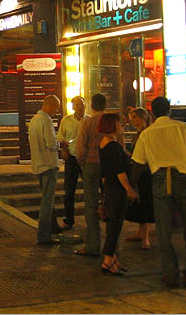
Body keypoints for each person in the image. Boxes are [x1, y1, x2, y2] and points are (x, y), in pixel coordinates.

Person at [131, 96, 186, 288]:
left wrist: (132, 187)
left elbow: (138, 164)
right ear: (170, 111)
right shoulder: (182, 128)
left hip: (159, 181)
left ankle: (170, 273)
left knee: (163, 230)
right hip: (184, 180)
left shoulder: (147, 134)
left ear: (151, 113)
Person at [74, 93, 123, 256]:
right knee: (111, 204)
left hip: (91, 165)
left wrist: (83, 163)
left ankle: (93, 245)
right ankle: (112, 247)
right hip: (109, 167)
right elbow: (120, 145)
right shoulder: (112, 121)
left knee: (91, 205)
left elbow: (80, 147)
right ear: (105, 104)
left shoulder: (87, 123)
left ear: (92, 106)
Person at [99, 113, 139, 275]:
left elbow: (104, 171)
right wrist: (129, 189)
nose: (122, 126)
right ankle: (108, 260)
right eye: (119, 123)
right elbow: (119, 171)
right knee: (115, 224)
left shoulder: (103, 144)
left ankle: (113, 257)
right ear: (112, 125)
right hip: (116, 190)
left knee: (112, 224)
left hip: (109, 187)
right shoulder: (113, 147)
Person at [28, 95, 65, 245]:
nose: (56, 112)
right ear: (49, 106)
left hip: (38, 163)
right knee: (47, 201)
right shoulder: (46, 120)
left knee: (47, 198)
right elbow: (50, 143)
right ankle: (43, 235)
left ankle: (53, 226)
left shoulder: (34, 119)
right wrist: (60, 144)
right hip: (48, 164)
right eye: (56, 108)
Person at [57, 95, 89, 230]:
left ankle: (91, 218)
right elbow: (60, 137)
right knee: (69, 191)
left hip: (86, 159)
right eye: (77, 105)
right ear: (73, 107)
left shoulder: (89, 121)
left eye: (82, 105)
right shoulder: (66, 120)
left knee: (89, 190)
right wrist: (64, 148)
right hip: (71, 158)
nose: (80, 107)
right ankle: (69, 219)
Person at [125, 107, 154, 249]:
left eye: (135, 117)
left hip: (145, 172)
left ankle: (146, 237)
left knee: (145, 202)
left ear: (143, 117)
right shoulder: (137, 135)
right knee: (139, 202)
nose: (133, 121)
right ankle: (140, 232)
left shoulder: (147, 133)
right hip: (137, 170)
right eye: (131, 118)